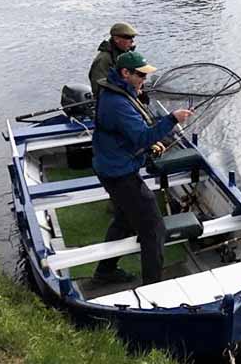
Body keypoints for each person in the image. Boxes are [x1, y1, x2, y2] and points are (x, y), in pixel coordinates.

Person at [91, 50, 193, 286]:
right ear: (125, 73)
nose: (144, 81)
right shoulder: (117, 103)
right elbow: (142, 137)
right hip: (119, 174)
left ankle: (105, 271)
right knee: (153, 230)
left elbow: (134, 131)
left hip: (111, 167)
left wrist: (139, 94)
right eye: (140, 76)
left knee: (125, 220)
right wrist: (172, 119)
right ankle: (153, 287)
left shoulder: (120, 92)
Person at [89, 22, 138, 98]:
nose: (132, 41)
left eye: (132, 37)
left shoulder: (126, 55)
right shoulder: (103, 59)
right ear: (116, 39)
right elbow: (98, 89)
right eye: (128, 37)